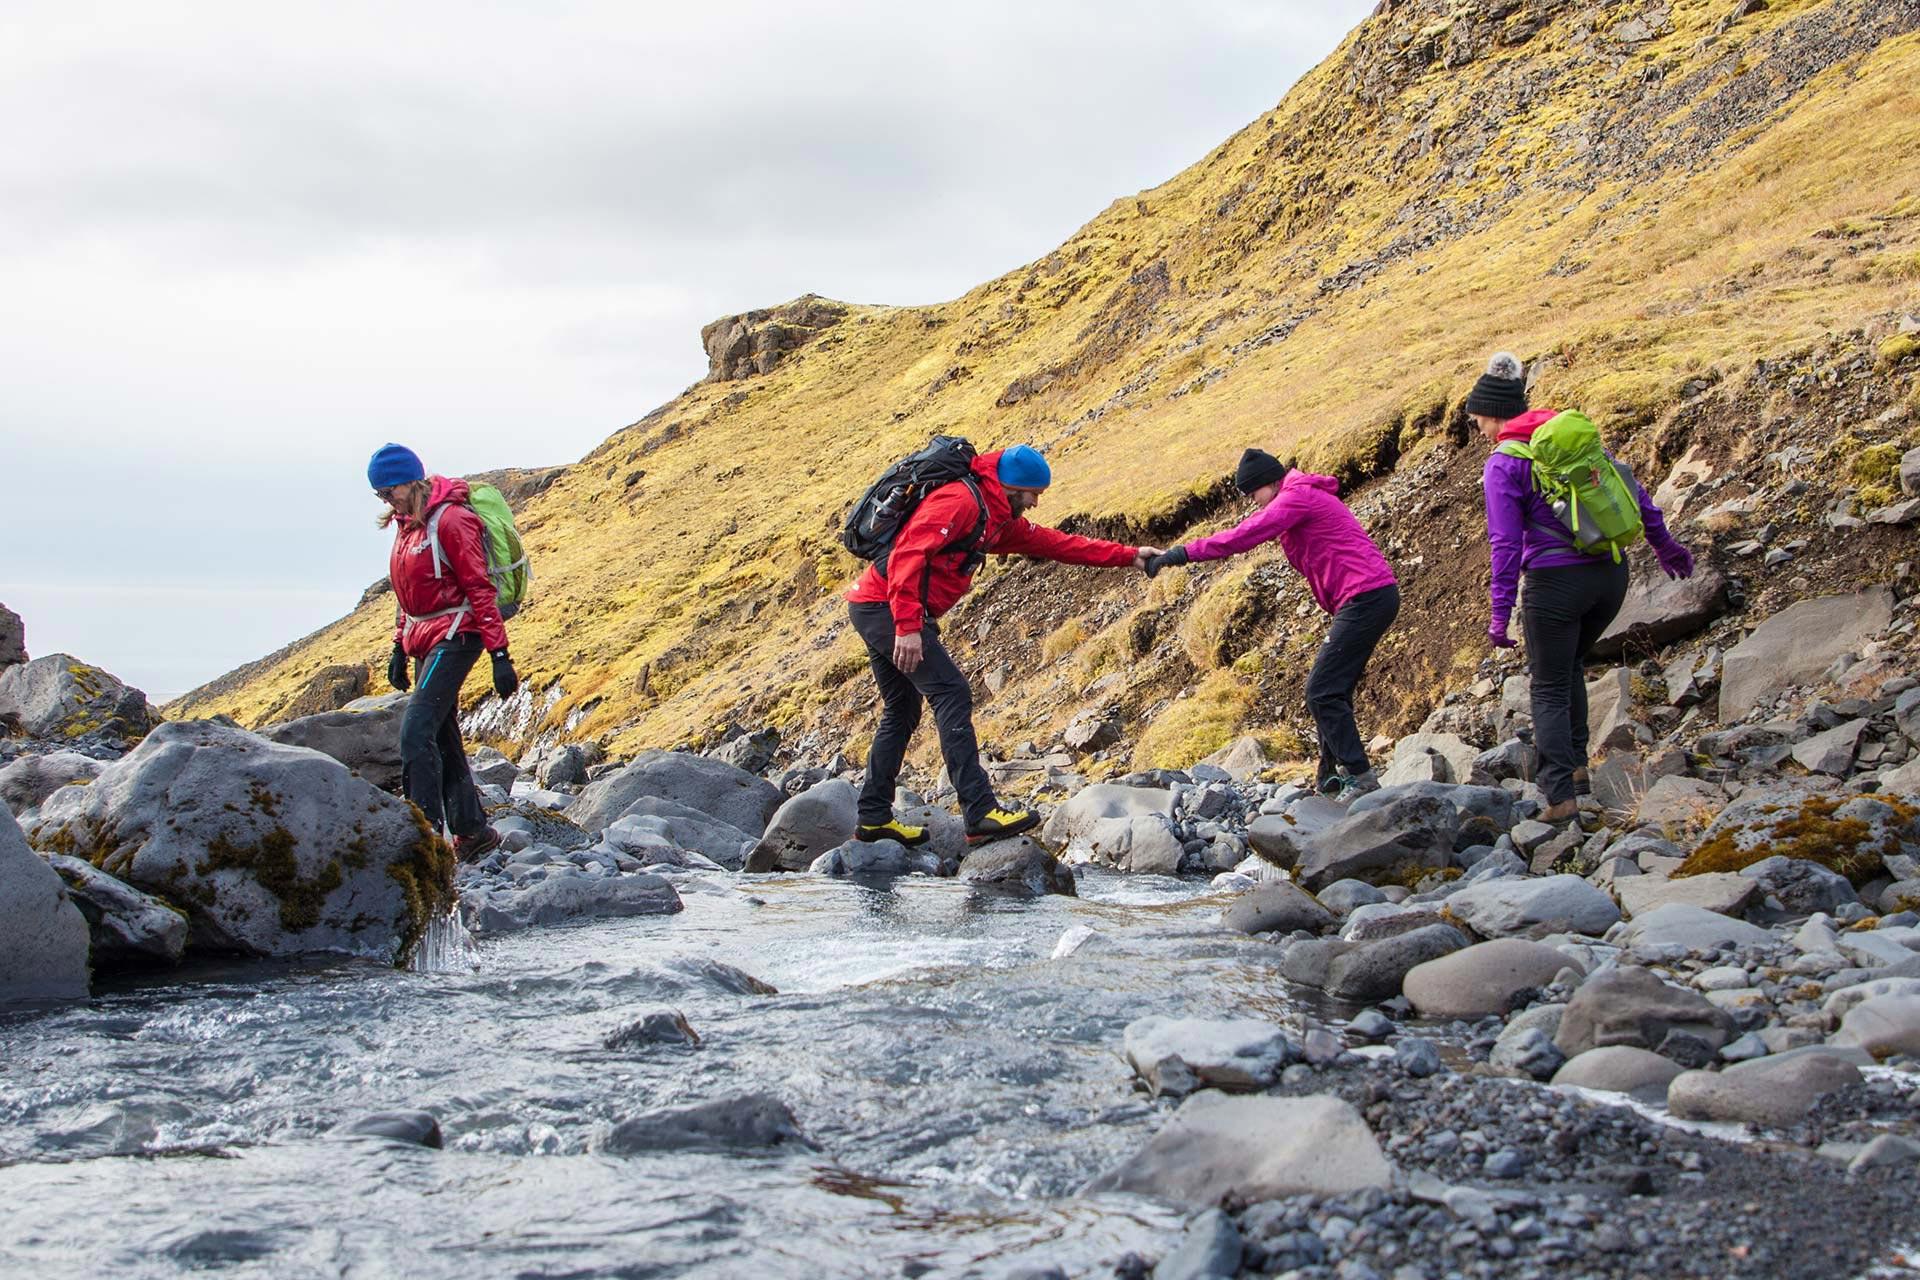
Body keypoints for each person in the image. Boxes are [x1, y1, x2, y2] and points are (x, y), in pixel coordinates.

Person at [845, 444, 1156, 847]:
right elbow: (908, 556)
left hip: (881, 606)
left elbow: (1058, 544)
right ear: (1010, 485)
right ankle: (979, 813)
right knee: (950, 692)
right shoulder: (960, 502)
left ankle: (873, 819)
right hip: (885, 607)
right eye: (1031, 492)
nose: (1035, 501)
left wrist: (1129, 556)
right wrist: (906, 627)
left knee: (902, 710)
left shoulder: (995, 518)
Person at [1467, 353, 1695, 823]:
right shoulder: (1575, 440)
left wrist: (1499, 610)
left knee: (1547, 686)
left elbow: (1505, 544)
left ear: (1492, 414)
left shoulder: (1504, 464)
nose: (1478, 429)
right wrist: (1664, 545)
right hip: (1610, 576)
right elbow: (1631, 492)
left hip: (1556, 585)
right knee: (1568, 666)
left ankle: (1559, 798)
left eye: (1477, 420)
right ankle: (1575, 774)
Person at [1144, 449, 1399, 802]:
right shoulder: (1300, 495)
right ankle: (1330, 777)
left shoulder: (1296, 498)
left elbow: (1243, 536)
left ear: (1270, 481)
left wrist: (1181, 553)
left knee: (1321, 691)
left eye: (1253, 494)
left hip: (1366, 598)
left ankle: (1361, 777)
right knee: (1331, 690)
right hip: (1366, 597)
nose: (1253, 503)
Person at [369, 443, 520, 862]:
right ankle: (473, 832)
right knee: (441, 732)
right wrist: (399, 647)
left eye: (390, 490)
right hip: (425, 636)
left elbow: (479, 587)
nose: (387, 499)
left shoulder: (452, 520)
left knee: (415, 731)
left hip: (460, 633)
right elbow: (407, 594)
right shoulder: (406, 525)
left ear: (412, 479)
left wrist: (499, 655)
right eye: (380, 494)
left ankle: (426, 841)